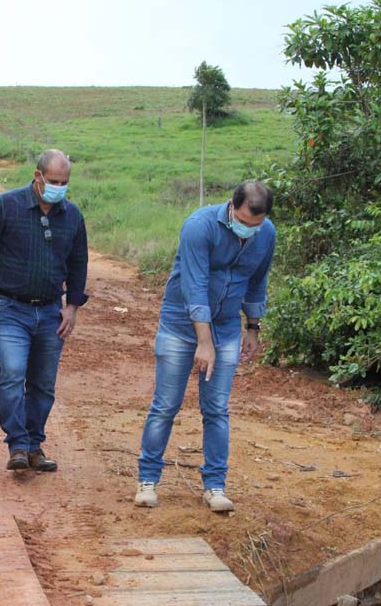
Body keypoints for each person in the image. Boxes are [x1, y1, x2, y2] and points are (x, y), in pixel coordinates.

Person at [135, 181, 276, 512]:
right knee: (165, 405)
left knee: (216, 409)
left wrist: (253, 327)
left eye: (256, 224)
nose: (249, 230)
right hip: (180, 326)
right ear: (231, 206)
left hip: (226, 327)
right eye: (244, 221)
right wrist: (204, 342)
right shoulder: (199, 226)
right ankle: (147, 480)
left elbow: (258, 281)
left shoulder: (266, 233)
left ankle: (215, 486)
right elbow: (195, 286)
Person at [0, 149, 89, 472]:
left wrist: (72, 307)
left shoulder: (72, 216)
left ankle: (34, 445)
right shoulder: (4, 207)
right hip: (8, 307)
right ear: (37, 176)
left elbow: (78, 264)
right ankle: (17, 444)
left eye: (64, 182)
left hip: (50, 312)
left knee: (43, 383)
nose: (58, 188)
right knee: (13, 373)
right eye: (53, 181)